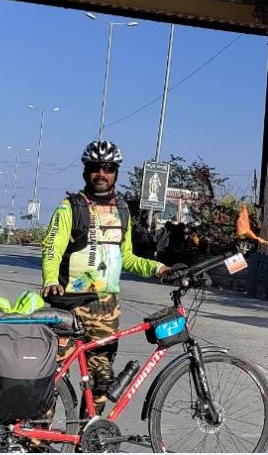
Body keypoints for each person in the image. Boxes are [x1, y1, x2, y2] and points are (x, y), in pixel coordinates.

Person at [41, 141, 171, 411]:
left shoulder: (122, 211)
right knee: (51, 379)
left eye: (108, 168)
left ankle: (86, 443)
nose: (102, 173)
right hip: (69, 306)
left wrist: (158, 268)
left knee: (101, 383)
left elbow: (127, 257)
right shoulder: (70, 208)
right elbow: (52, 248)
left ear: (116, 172)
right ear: (85, 171)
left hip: (106, 310)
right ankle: (36, 444)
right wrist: (50, 279)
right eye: (95, 167)